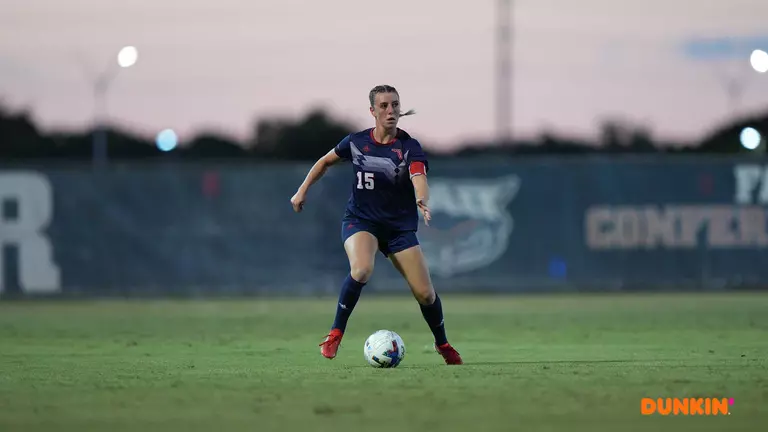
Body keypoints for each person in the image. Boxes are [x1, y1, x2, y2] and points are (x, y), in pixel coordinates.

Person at [290, 85, 463, 366]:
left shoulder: (408, 146)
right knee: (361, 269)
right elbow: (325, 162)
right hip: (362, 221)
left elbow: (419, 177)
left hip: (398, 229)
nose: (390, 110)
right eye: (383, 105)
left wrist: (421, 199)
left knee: (425, 293)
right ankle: (335, 333)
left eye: (395, 104)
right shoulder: (357, 142)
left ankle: (442, 344)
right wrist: (302, 190)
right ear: (372, 111)